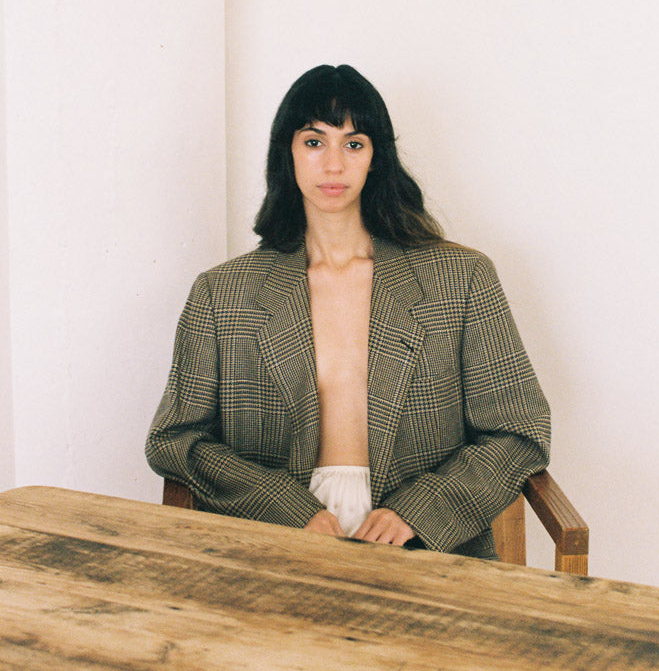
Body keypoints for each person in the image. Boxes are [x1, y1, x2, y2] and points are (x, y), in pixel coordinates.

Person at [146, 65, 550, 557]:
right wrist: (286, 510)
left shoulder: (461, 279)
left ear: (376, 158)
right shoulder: (222, 293)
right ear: (286, 154)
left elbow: (519, 430)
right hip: (271, 544)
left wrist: (419, 510)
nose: (333, 165)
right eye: (314, 142)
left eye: (353, 144)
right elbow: (175, 438)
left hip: (425, 547)